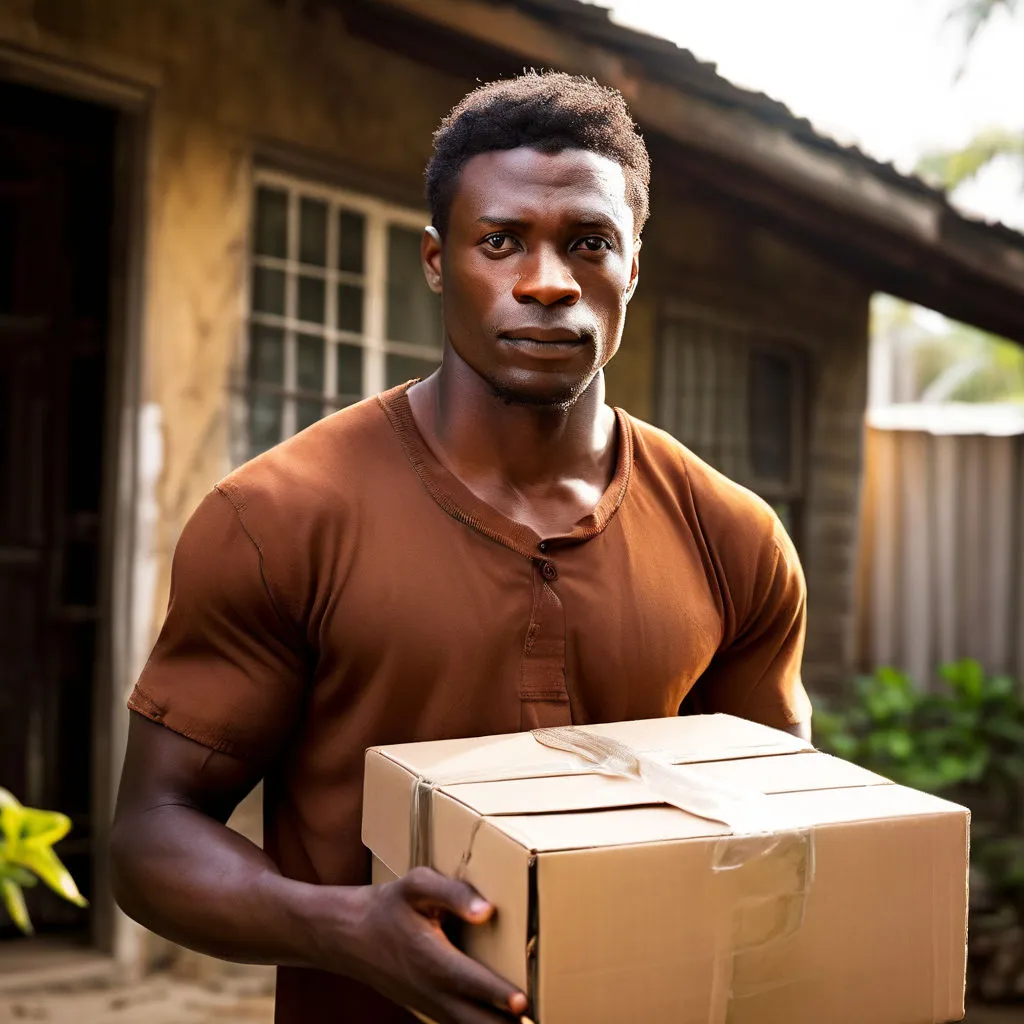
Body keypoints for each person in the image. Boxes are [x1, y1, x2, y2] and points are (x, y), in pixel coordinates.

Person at [111, 71, 812, 1024]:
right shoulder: (277, 518)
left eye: (589, 242)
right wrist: (342, 927)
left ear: (633, 268)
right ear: (440, 261)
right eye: (501, 241)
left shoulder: (734, 538)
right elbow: (152, 836)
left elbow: (775, 834)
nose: (546, 281)